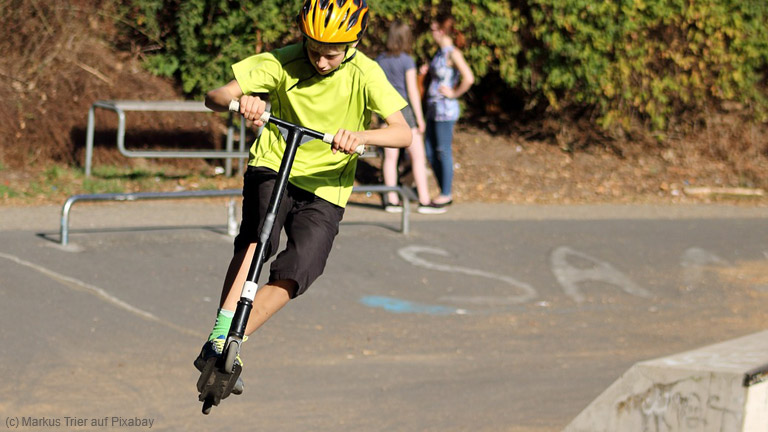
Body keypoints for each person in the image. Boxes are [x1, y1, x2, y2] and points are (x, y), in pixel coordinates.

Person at [196, 0, 411, 394]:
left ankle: (233, 343)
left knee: (303, 265)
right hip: (274, 164)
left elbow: (403, 132)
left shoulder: (366, 73)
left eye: (331, 54)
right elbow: (215, 95)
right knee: (259, 240)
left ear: (352, 44)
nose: (321, 62)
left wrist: (361, 137)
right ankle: (219, 335)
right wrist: (244, 100)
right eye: (314, 50)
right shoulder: (282, 61)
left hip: (328, 185)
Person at [376, 22, 443, 214]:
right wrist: (420, 119)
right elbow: (413, 91)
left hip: (384, 110)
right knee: (418, 157)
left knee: (389, 159)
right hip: (404, 111)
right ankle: (424, 200)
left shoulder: (379, 60)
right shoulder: (407, 60)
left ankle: (391, 200)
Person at [420, 13, 475, 210]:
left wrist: (453, 93)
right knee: (428, 149)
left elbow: (469, 77)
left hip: (445, 110)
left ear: (442, 31)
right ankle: (442, 189)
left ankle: (446, 193)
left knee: (443, 150)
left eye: (434, 30)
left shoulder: (453, 53)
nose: (431, 34)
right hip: (433, 109)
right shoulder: (439, 53)